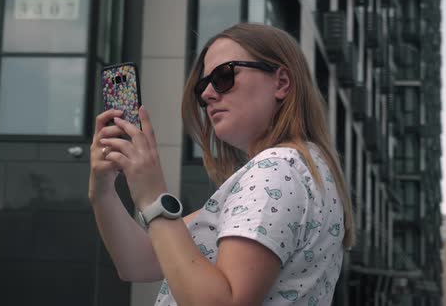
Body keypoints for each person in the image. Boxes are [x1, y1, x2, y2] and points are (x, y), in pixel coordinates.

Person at [88, 22, 354, 306]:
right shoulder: (297, 168)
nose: (207, 94)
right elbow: (138, 262)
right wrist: (103, 191)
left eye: (224, 76)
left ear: (281, 82)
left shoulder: (276, 171)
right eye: (203, 84)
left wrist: (153, 197)